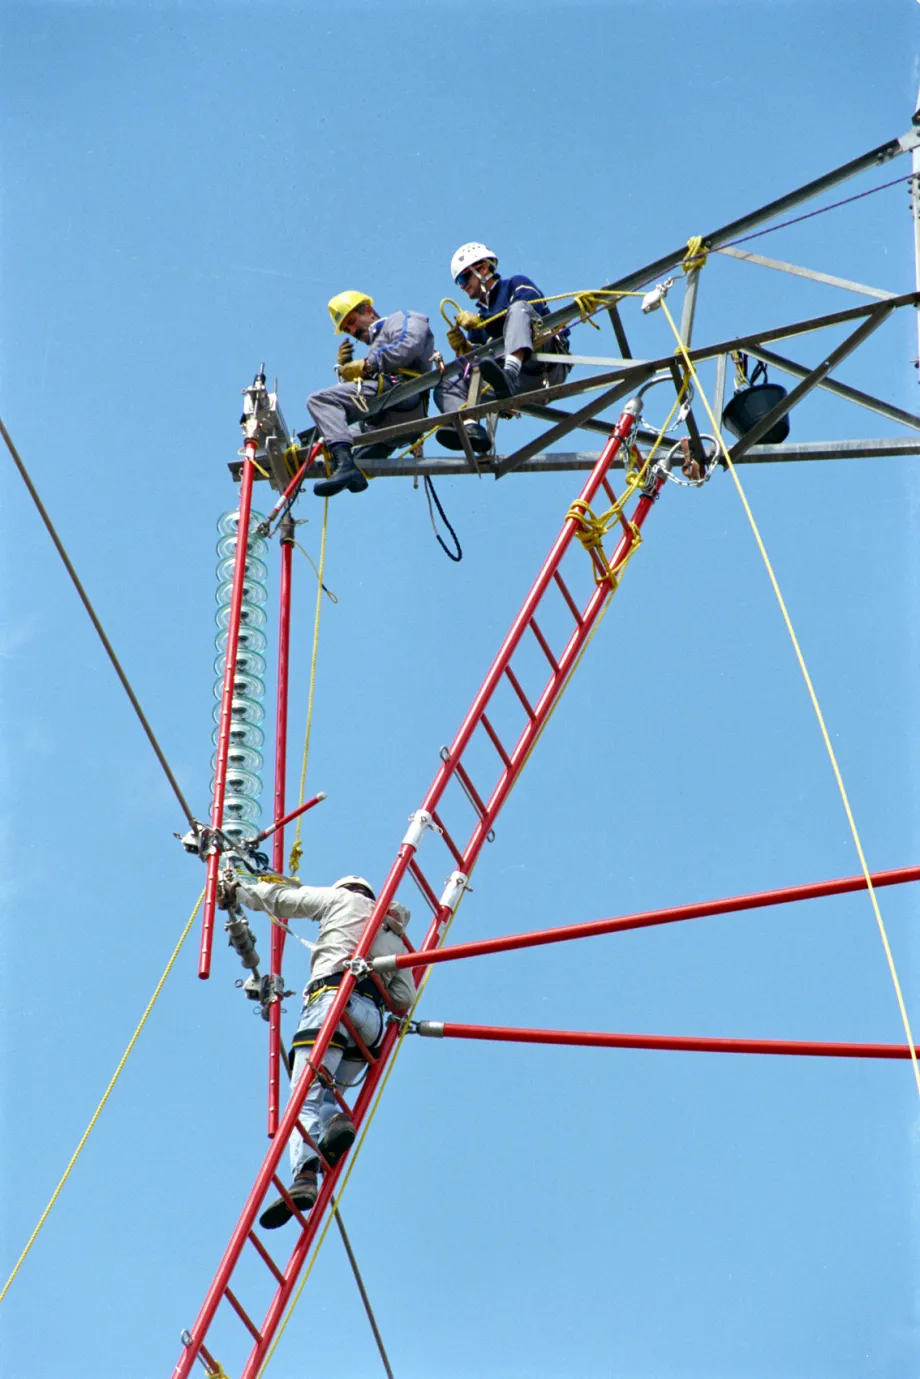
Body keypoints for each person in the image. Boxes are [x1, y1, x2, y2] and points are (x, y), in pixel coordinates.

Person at [218, 869, 415, 1229]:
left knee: (305, 1094)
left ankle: (305, 1176)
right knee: (326, 1092)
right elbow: (404, 999)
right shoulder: (397, 938)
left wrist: (239, 892)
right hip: (369, 1028)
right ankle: (334, 1121)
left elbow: (285, 901)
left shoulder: (342, 899)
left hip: (332, 1002)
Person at [307, 291, 491, 498]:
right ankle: (348, 467)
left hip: (400, 396)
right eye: (347, 329)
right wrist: (346, 369)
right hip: (386, 419)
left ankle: (346, 464)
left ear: (368, 311)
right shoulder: (377, 346)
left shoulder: (402, 319)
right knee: (331, 438)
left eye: (352, 321)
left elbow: (408, 345)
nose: (353, 330)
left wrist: (367, 366)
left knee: (319, 400)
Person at [446, 242, 571, 398]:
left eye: (464, 279)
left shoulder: (515, 284)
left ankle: (509, 374)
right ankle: (469, 423)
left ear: (483, 269)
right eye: (459, 283)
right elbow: (475, 371)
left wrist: (483, 320)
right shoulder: (479, 323)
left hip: (545, 365)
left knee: (519, 308)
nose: (462, 287)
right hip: (514, 385)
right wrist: (463, 351)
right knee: (447, 388)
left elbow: (531, 303)